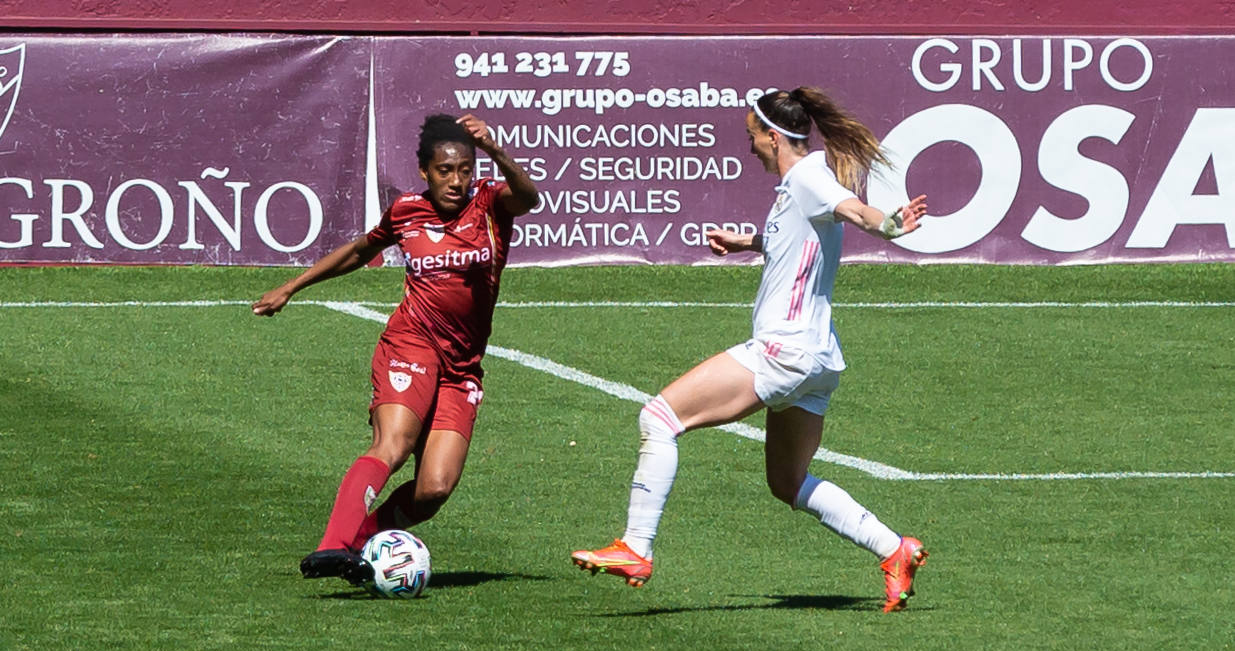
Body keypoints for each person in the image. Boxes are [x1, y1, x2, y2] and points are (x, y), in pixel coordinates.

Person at [571, 87, 930, 612]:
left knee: (659, 417)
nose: (750, 146)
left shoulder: (808, 175)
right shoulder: (796, 186)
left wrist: (890, 224)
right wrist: (750, 242)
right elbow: (804, 237)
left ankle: (635, 546)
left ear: (772, 136)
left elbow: (853, 211)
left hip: (783, 350)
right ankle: (893, 549)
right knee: (788, 481)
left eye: (752, 137)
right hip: (817, 360)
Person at [252, 112, 539, 585]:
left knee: (434, 490)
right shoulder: (407, 210)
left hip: (463, 365)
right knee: (394, 444)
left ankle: (362, 546)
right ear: (425, 171)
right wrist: (292, 287)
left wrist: (497, 151)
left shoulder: (490, 204)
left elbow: (528, 197)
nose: (456, 180)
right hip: (411, 343)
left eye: (465, 169)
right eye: (445, 171)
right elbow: (360, 251)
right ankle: (332, 546)